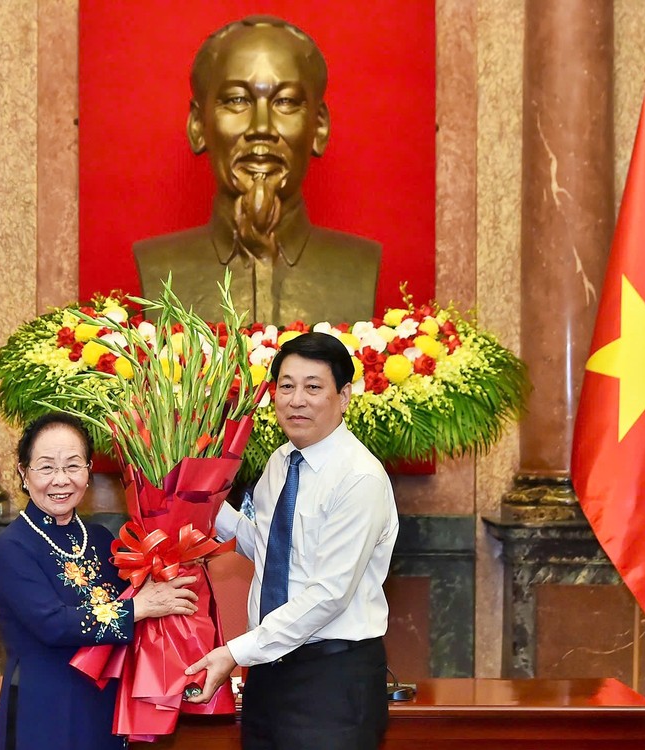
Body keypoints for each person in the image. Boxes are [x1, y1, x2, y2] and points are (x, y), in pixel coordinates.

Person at [185, 332, 399, 750]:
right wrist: (197, 500)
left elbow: (328, 594)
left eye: (313, 387)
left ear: (345, 395)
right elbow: (264, 547)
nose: (296, 399)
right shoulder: (282, 462)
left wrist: (236, 651)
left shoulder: (359, 478)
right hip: (268, 675)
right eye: (286, 386)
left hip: (331, 681)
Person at [133, 16, 381, 326]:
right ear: (198, 125)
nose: (261, 127)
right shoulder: (159, 265)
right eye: (237, 100)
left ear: (318, 127)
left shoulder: (359, 265)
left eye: (286, 101)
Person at [0, 413, 199, 750]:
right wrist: (136, 608)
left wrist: (174, 565)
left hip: (102, 701)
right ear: (23, 473)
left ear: (88, 472)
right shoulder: (13, 546)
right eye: (46, 467)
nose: (61, 479)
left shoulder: (102, 539)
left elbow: (137, 601)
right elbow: (53, 623)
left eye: (73, 466)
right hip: (43, 705)